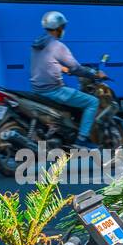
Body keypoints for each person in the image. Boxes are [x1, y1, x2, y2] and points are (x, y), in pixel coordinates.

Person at [30, 10, 106, 148]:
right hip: (53, 90)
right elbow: (76, 68)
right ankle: (82, 139)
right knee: (92, 102)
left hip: (37, 89)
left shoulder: (38, 43)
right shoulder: (57, 46)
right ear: (58, 28)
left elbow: (45, 62)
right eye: (62, 27)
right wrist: (94, 74)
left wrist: (61, 68)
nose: (63, 30)